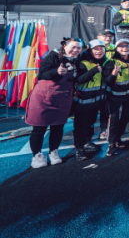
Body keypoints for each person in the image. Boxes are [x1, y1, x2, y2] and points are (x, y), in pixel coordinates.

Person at [26, 38, 82, 168]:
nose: (75, 50)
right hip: (44, 98)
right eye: (73, 47)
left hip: (63, 98)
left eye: (78, 48)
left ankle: (53, 152)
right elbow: (42, 74)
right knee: (39, 128)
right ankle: (37, 156)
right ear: (64, 45)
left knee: (58, 127)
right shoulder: (53, 56)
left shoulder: (75, 59)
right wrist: (56, 72)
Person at [103, 39, 129, 156]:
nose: (124, 48)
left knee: (125, 118)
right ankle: (112, 143)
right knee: (114, 120)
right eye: (121, 46)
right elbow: (106, 81)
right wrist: (113, 74)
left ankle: (118, 139)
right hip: (115, 96)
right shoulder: (111, 62)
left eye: (127, 45)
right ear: (116, 49)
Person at [72, 39, 108, 161]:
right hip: (83, 102)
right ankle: (79, 149)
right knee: (80, 126)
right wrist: (94, 71)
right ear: (90, 50)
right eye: (96, 49)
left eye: (101, 48)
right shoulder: (83, 64)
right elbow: (79, 80)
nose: (99, 51)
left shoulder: (104, 62)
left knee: (90, 124)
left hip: (95, 101)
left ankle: (87, 142)